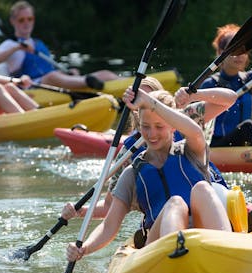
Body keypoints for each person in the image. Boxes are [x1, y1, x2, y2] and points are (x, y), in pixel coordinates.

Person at [65, 87, 233, 261]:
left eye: (159, 126)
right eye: (146, 127)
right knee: (175, 203)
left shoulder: (191, 151)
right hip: (158, 245)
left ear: (173, 127)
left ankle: (227, 250)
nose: (152, 134)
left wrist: (149, 101)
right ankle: (176, 255)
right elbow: (109, 226)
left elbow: (196, 132)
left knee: (203, 188)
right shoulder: (132, 173)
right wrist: (84, 248)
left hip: (204, 235)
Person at [61, 77, 237, 221]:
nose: (145, 103)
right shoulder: (129, 151)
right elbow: (110, 206)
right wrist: (80, 211)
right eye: (140, 98)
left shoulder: (188, 116)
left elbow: (229, 98)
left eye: (150, 98)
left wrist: (194, 95)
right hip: (169, 218)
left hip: (213, 200)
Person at [0, 1, 119, 91]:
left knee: (104, 73)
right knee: (52, 77)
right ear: (13, 21)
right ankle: (87, 83)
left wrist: (67, 73)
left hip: (53, 80)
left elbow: (50, 68)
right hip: (32, 86)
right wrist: (17, 47)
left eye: (30, 19)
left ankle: (129, 84)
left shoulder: (38, 43)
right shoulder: (10, 44)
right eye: (21, 20)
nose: (26, 23)